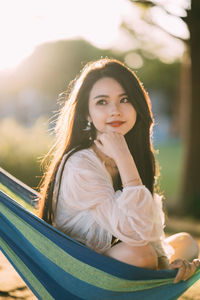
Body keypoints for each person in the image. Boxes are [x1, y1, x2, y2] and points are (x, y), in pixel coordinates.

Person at [38, 58, 199, 283]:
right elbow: (136, 235)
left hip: (118, 257)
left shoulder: (134, 154)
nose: (115, 111)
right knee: (140, 254)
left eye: (124, 100)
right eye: (102, 102)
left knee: (187, 244)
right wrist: (123, 157)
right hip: (79, 270)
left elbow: (148, 231)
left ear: (137, 106)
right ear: (87, 114)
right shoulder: (80, 165)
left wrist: (167, 268)